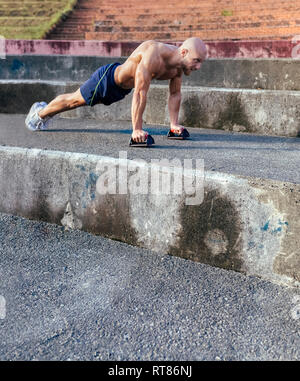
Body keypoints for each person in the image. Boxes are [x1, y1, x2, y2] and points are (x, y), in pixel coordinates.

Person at [25, 37, 207, 146]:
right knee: (74, 101)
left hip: (122, 90)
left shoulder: (178, 68)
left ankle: (42, 111)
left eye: (201, 63)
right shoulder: (154, 54)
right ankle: (39, 114)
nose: (199, 67)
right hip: (107, 80)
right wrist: (137, 130)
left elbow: (175, 94)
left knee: (76, 100)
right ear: (183, 52)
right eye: (196, 60)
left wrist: (174, 125)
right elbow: (140, 93)